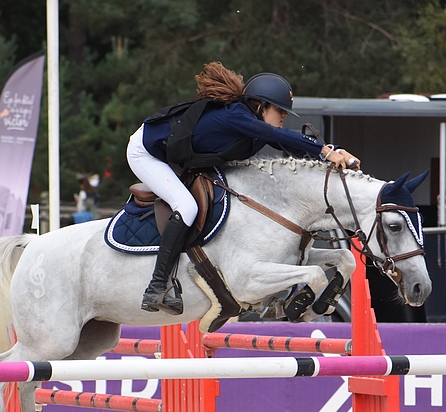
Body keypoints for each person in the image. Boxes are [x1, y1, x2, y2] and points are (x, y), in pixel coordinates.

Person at [128, 62, 361, 315]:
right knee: (186, 206)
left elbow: (291, 145)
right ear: (259, 106)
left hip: (179, 156)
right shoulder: (236, 116)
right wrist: (324, 151)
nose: (283, 116)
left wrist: (333, 150)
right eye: (279, 109)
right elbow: (279, 136)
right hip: (146, 153)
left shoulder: (253, 124)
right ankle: (157, 286)